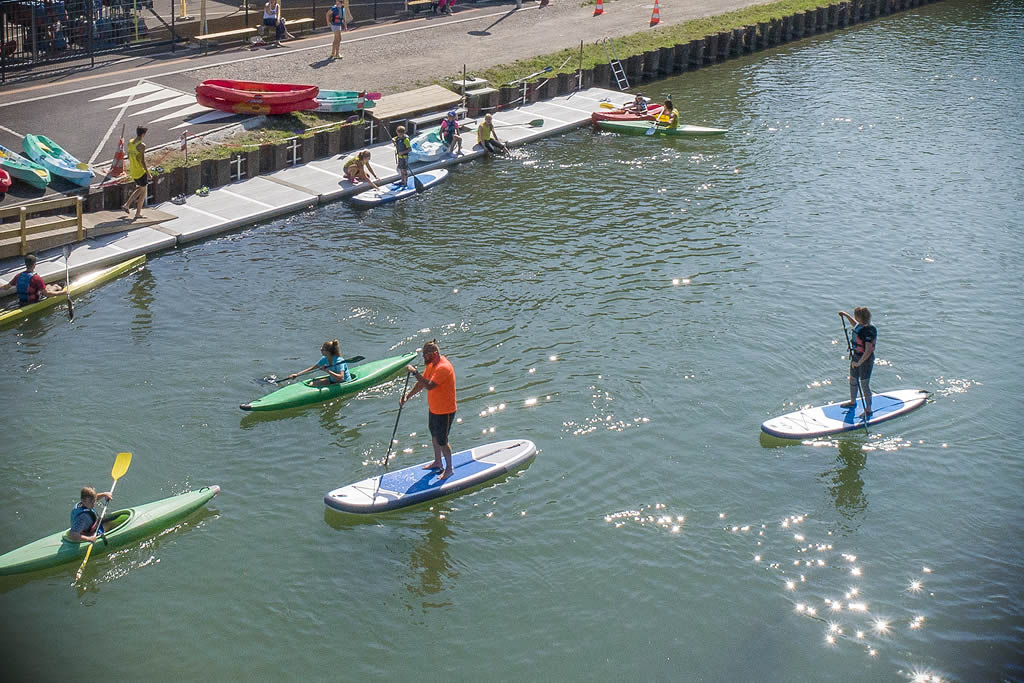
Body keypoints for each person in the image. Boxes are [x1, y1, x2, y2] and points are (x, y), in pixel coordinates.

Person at [401, 340, 457, 480]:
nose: (424, 358)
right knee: (434, 436)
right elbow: (422, 383)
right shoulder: (432, 365)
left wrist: (415, 372)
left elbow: (430, 386)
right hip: (434, 409)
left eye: (426, 356)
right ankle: (438, 462)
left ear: (435, 354)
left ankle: (449, 468)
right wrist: (407, 396)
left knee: (443, 440)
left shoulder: (443, 367)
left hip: (446, 411)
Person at [839, 307, 877, 416]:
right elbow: (855, 325)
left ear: (860, 318)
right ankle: (852, 402)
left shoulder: (869, 331)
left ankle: (868, 410)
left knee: (864, 384)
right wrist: (845, 315)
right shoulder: (861, 326)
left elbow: (868, 350)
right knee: (853, 380)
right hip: (856, 357)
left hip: (865, 360)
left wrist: (859, 363)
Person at [288, 339, 352, 386]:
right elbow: (312, 368)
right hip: (332, 380)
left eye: (322, 349)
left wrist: (327, 371)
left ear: (328, 351)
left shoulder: (339, 361)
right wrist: (297, 374)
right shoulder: (324, 359)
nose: (320, 350)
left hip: (343, 383)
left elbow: (341, 377)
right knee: (311, 384)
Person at [121, 126, 149, 220]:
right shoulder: (141, 145)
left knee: (140, 189)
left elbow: (129, 156)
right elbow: (142, 161)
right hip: (140, 171)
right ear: (143, 134)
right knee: (143, 191)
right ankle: (136, 212)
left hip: (133, 170)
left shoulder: (131, 142)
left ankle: (128, 205)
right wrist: (148, 173)